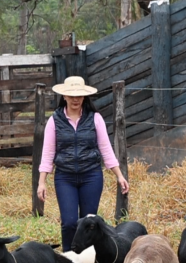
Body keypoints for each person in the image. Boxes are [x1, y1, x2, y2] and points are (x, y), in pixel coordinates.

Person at [37, 76, 130, 252]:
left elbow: (106, 149)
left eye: (79, 95)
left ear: (84, 97)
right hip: (65, 177)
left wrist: (119, 175)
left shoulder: (95, 118)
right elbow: (48, 153)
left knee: (88, 223)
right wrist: (42, 182)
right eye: (71, 95)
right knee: (69, 222)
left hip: (91, 176)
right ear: (63, 96)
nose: (75, 99)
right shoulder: (54, 121)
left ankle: (90, 261)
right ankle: (69, 259)